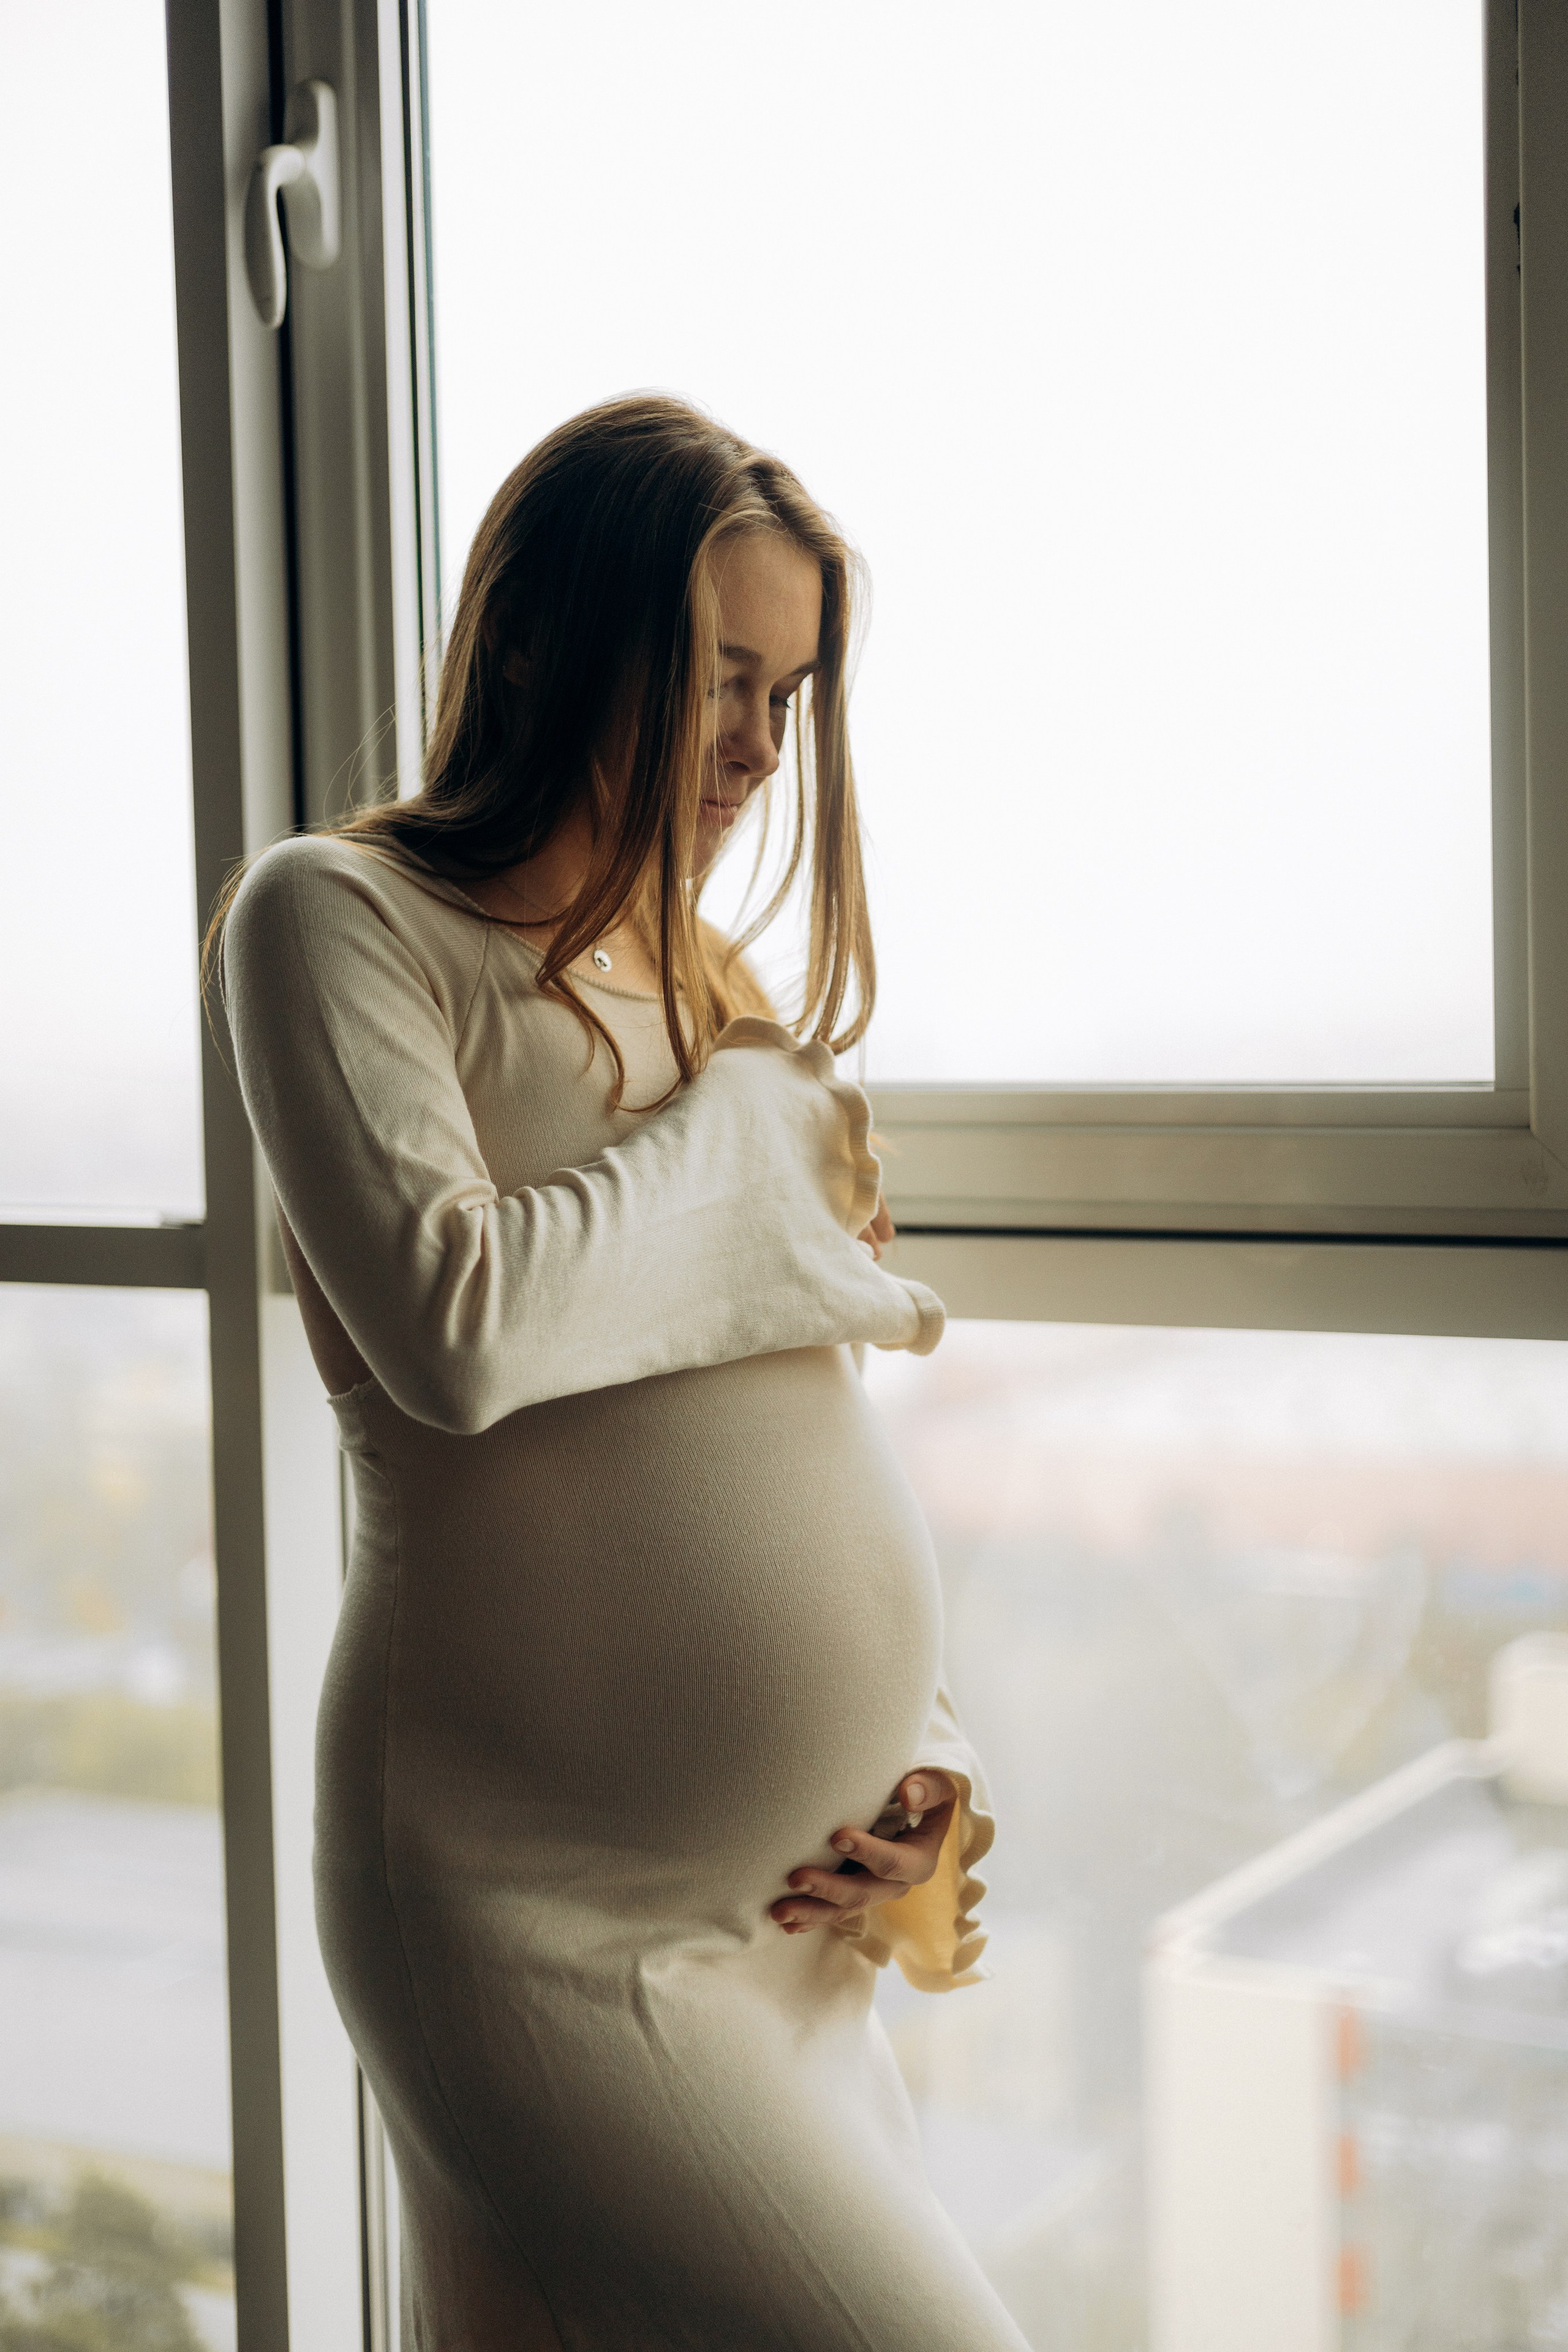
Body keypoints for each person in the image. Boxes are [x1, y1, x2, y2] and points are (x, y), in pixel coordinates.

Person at [219, 394, 1027, 2350]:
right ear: (540, 640)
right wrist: (752, 1133)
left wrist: (920, 1748)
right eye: (720, 677)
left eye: (790, 694)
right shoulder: (340, 918)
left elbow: (795, 1399)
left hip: (789, 1930)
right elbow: (460, 1328)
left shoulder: (713, 990)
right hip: (536, 1914)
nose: (760, 748)